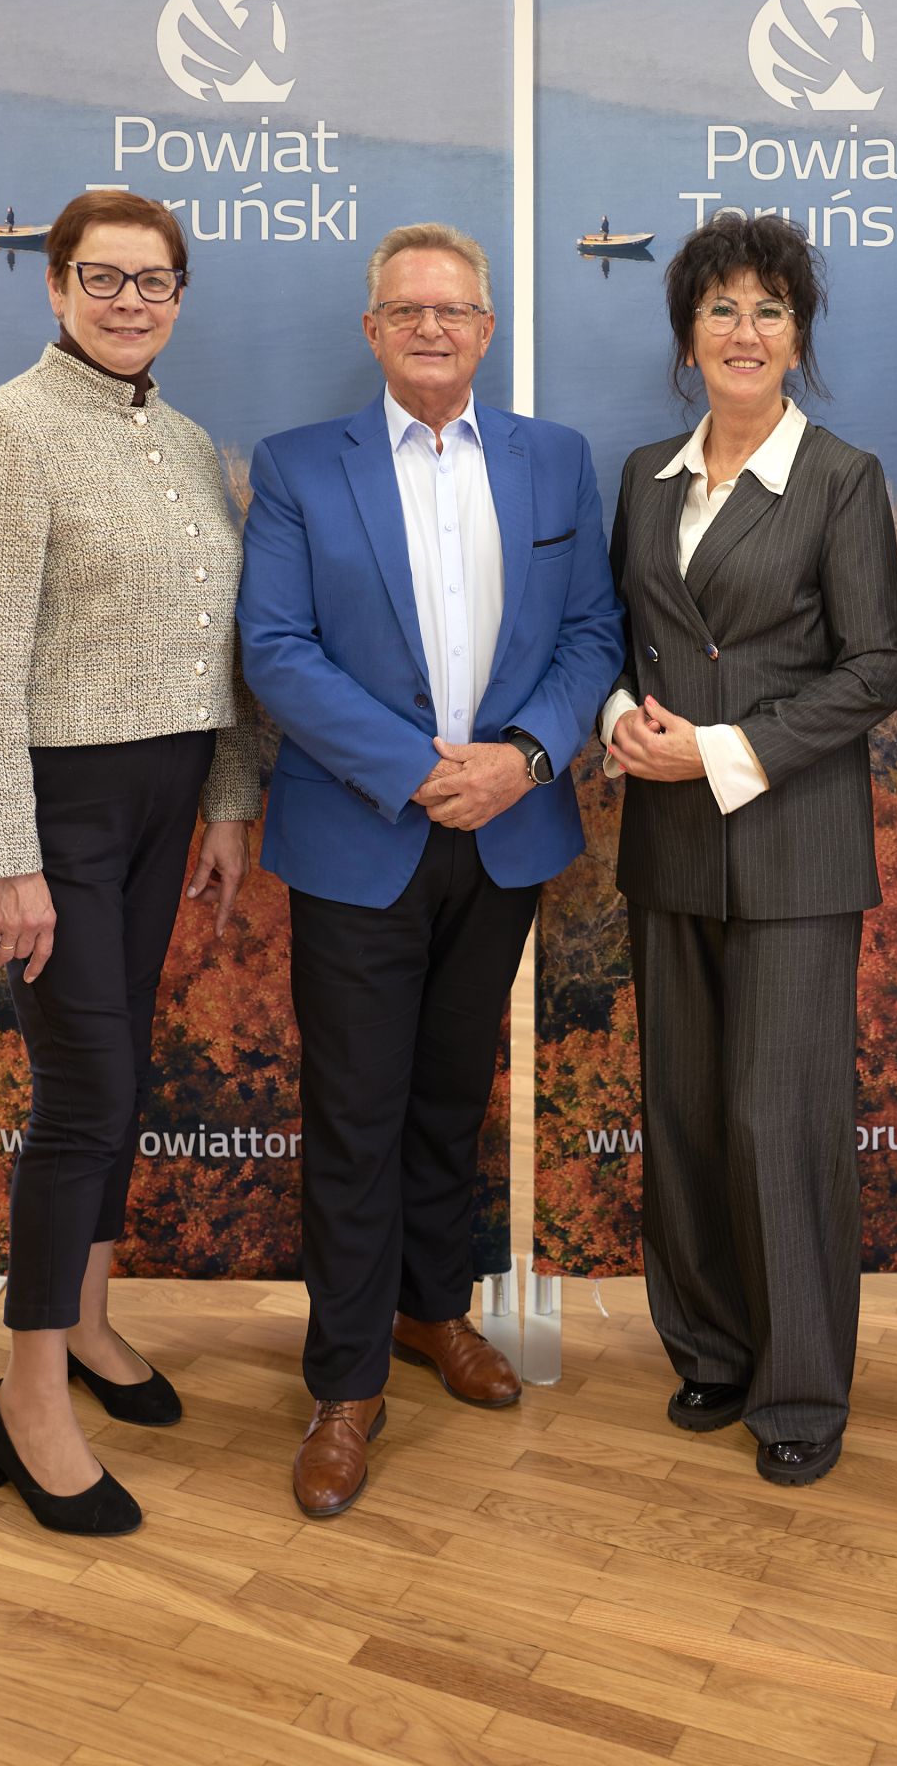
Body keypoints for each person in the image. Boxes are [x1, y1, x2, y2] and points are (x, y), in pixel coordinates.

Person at [237, 222, 622, 1520]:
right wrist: (415, 770)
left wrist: (524, 759)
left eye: (453, 309)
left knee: (451, 1096)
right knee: (356, 1113)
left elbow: (592, 634)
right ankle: (344, 1384)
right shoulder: (300, 467)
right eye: (406, 310)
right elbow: (277, 647)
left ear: (487, 328)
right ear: (372, 330)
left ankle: (430, 1309)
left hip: (505, 834)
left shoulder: (554, 459)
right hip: (362, 834)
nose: (431, 327)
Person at [0, 191, 260, 1539]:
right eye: (103, 278)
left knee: (122, 1081)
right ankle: (28, 1395)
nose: (130, 301)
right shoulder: (6, 433)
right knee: (84, 1095)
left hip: (167, 803)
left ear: (179, 295)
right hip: (58, 816)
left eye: (153, 280)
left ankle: (92, 1323)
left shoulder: (182, 440)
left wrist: (225, 800)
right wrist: (3, 862)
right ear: (55, 286)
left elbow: (217, 649)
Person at [603, 216, 897, 1487]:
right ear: (687, 338)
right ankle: (714, 1351)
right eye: (720, 309)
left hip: (789, 842)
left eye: (769, 310)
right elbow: (618, 638)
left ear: (798, 338)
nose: (743, 331)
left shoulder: (840, 477)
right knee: (682, 1117)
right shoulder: (644, 476)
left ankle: (799, 1388)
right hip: (667, 843)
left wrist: (720, 751)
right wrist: (622, 722)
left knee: (778, 1121)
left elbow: (873, 671)